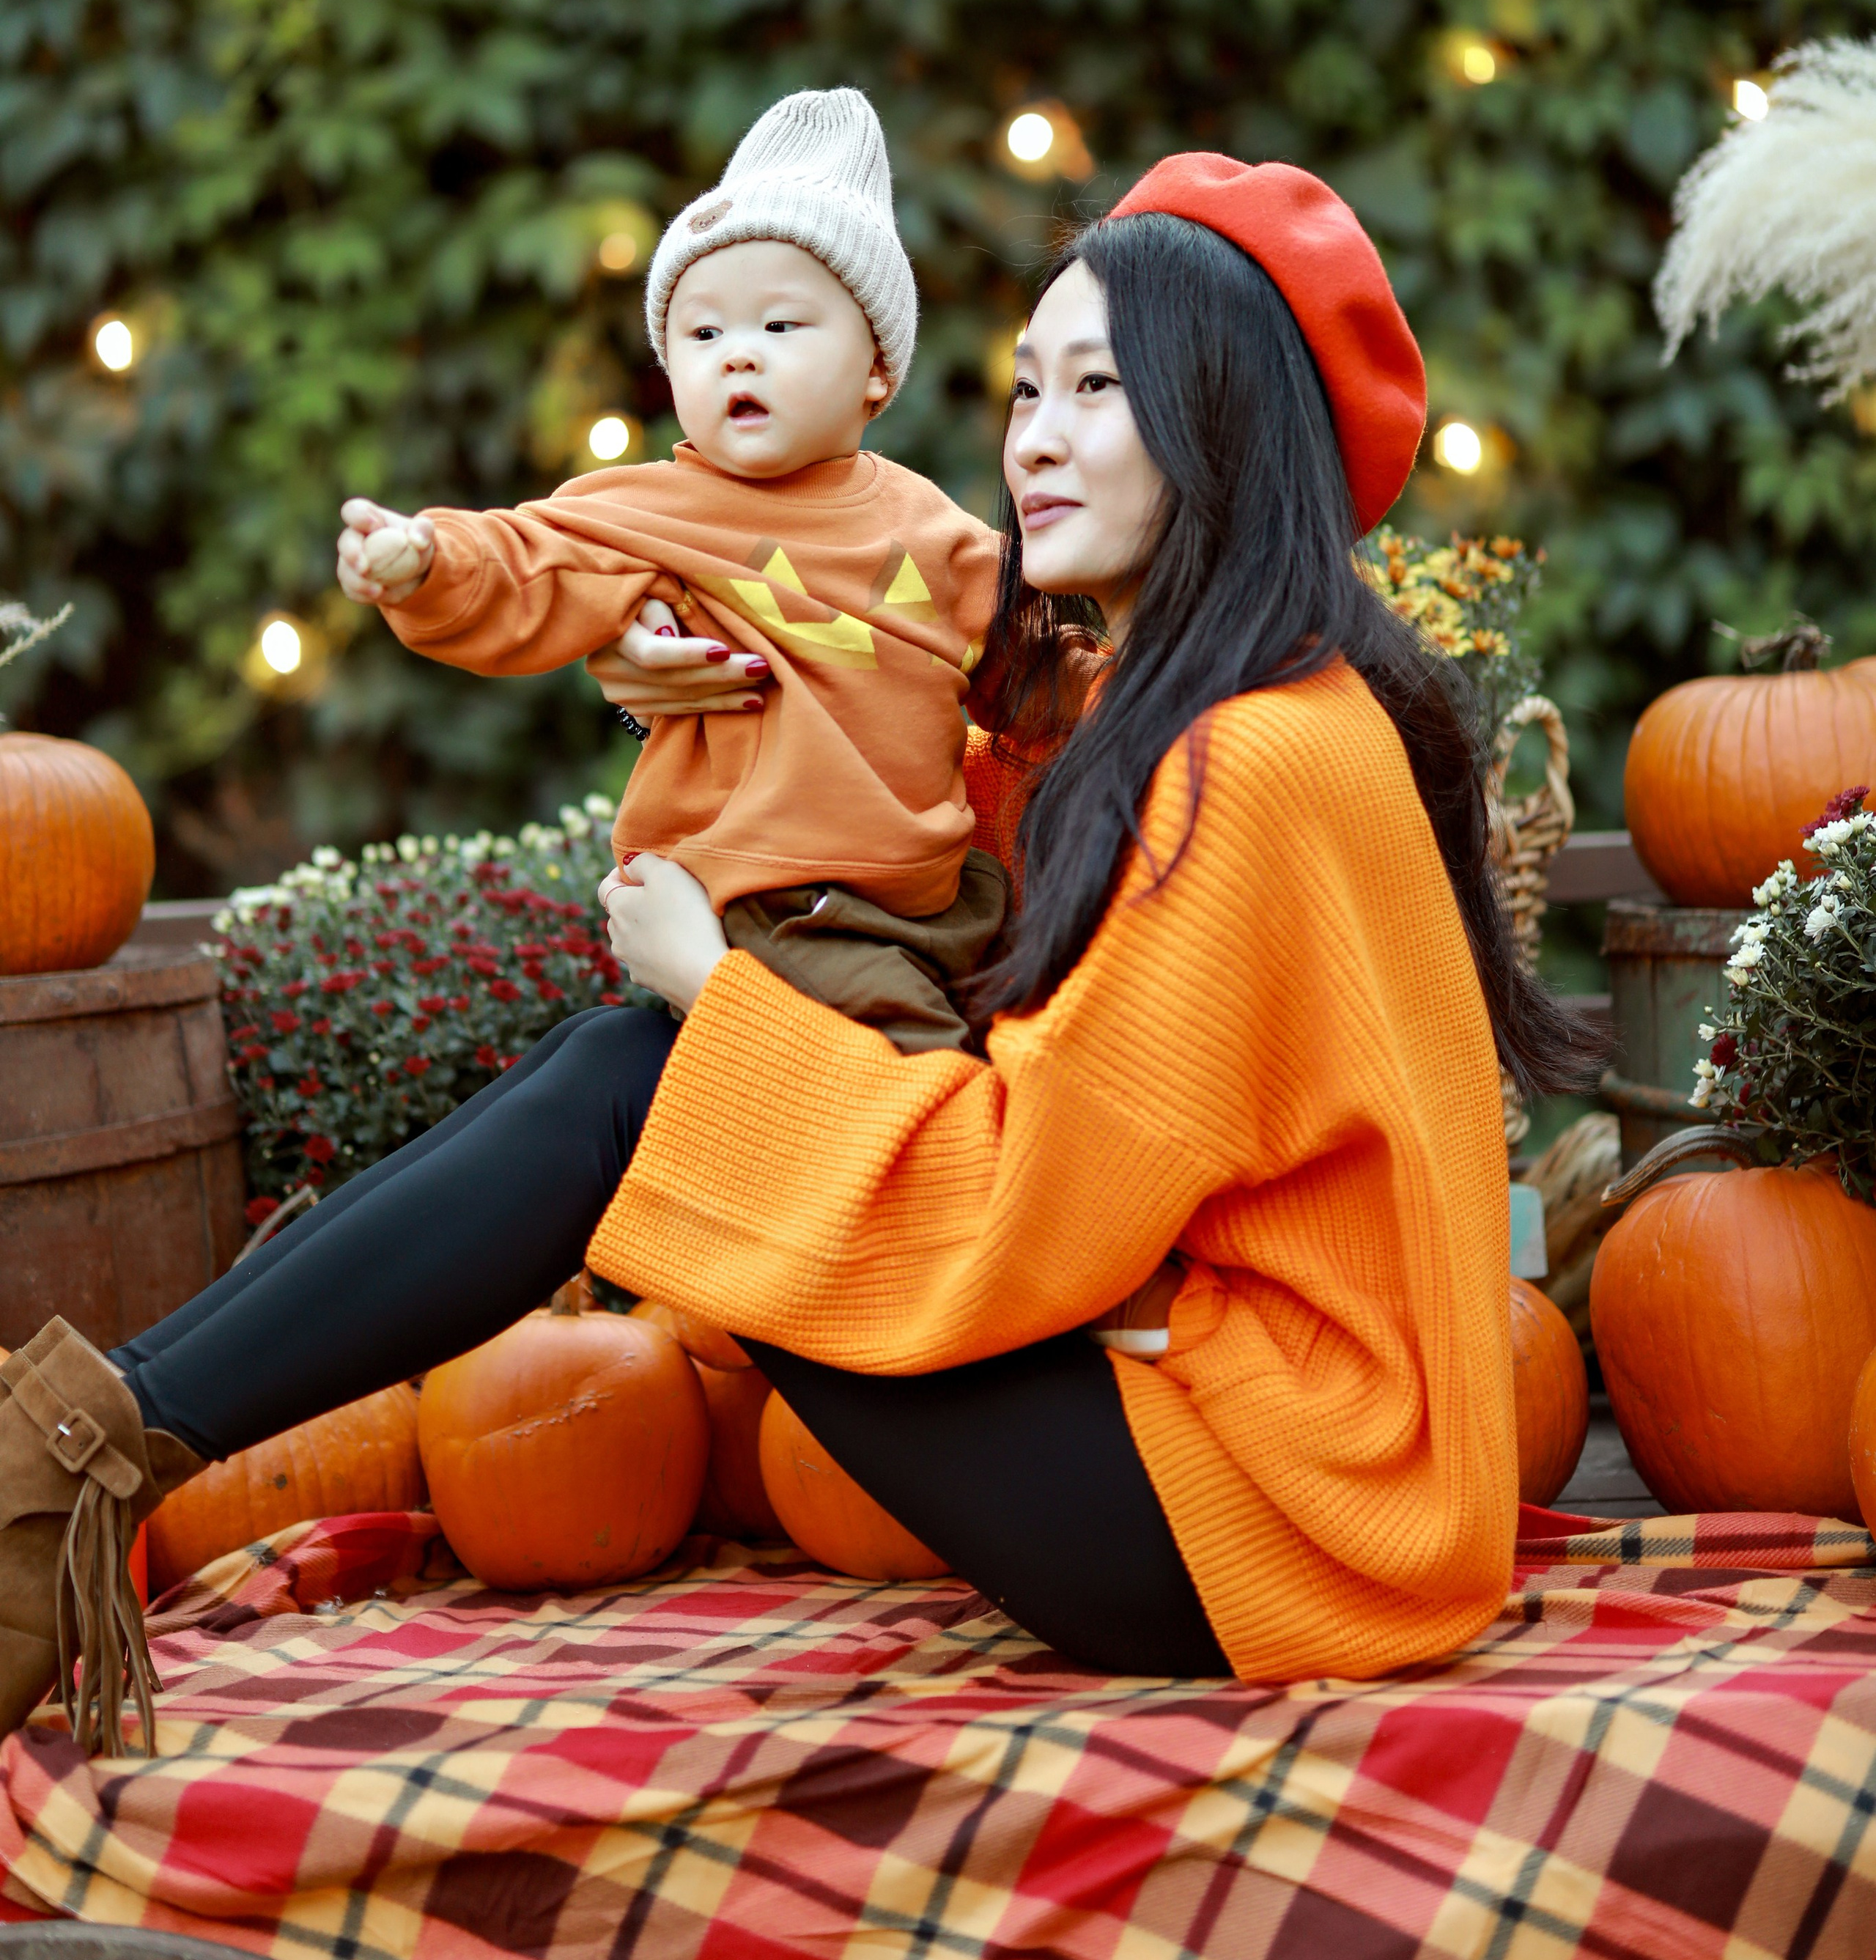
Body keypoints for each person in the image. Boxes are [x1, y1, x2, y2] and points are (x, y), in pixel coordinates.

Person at [0, 153, 1592, 1753]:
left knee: (648, 1081)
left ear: (1224, 422)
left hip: (1269, 1518)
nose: (1031, 437)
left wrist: (717, 986)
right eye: (1024, 386)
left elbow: (1021, 1202)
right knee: (642, 1079)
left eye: (1097, 390)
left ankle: (63, 1468)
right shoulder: (1241, 708)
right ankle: (79, 1452)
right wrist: (672, 658)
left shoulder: (1244, 763)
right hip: (1289, 1469)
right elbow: (900, 778)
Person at [336, 86, 1008, 1055]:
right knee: (916, 1064)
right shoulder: (651, 509)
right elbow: (531, 563)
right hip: (766, 899)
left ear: (875, 370)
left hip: (927, 897)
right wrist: (431, 560)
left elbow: (1029, 661)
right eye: (703, 334)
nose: (739, 357)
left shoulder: (927, 524)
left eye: (780, 328)